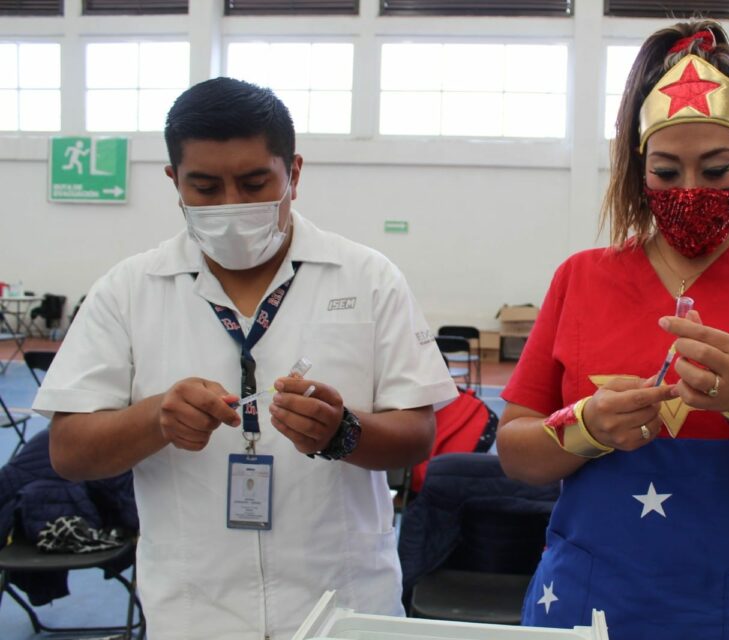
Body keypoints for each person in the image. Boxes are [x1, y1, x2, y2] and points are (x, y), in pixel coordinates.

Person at [34, 77, 458, 640]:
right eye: (205, 187)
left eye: (255, 183)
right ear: (174, 181)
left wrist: (344, 433)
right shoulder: (129, 290)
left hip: (345, 602)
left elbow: (418, 434)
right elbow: (68, 450)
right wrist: (156, 418)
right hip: (195, 612)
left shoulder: (367, 278)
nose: (231, 206)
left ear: (294, 174)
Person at [496, 20, 729, 639]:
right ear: (640, 168)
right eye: (667, 173)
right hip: (592, 605)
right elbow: (514, 451)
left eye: (716, 170)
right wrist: (585, 427)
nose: (690, 192)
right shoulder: (581, 279)